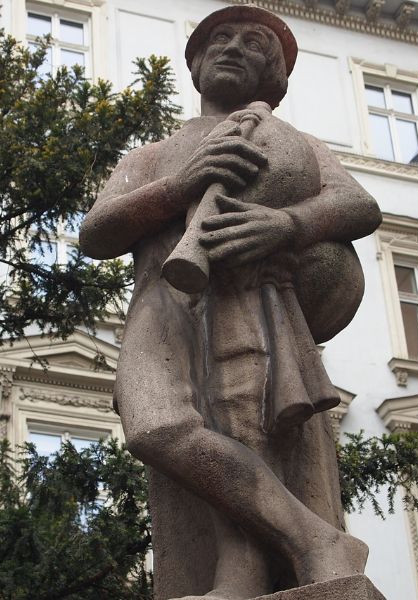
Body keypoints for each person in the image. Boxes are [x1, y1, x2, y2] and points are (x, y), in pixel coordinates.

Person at [80, 6, 382, 598]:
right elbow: (97, 233)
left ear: (272, 75)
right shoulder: (152, 154)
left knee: (242, 429)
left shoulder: (291, 140)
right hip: (164, 301)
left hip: (247, 293)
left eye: (252, 43)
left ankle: (241, 576)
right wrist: (180, 185)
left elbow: (358, 206)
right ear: (195, 64)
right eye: (220, 39)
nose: (233, 48)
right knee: (156, 426)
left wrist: (289, 224)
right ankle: (315, 540)